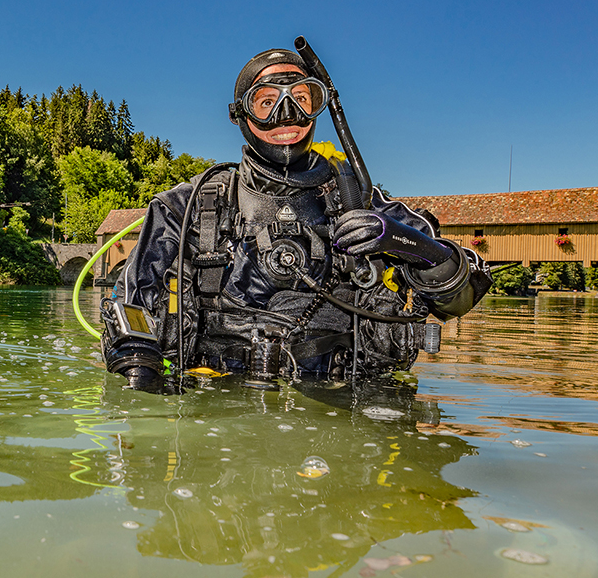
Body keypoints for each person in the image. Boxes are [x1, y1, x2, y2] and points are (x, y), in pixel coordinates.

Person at [101, 41, 491, 390]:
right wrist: (141, 374)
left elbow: (461, 300)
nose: (286, 115)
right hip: (217, 407)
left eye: (301, 99)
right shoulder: (186, 207)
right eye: (266, 102)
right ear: (241, 115)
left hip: (345, 413)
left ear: (318, 106)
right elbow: (130, 310)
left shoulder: (361, 203)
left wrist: (407, 243)